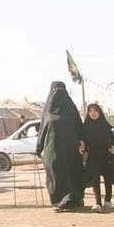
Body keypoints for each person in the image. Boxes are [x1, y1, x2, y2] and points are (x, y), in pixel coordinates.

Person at [36, 81, 86, 211]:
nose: (58, 93)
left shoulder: (72, 110)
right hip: (53, 150)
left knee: (73, 172)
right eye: (55, 90)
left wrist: (82, 141)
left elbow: (79, 127)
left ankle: (75, 199)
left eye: (61, 89)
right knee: (56, 175)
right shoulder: (47, 112)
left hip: (71, 150)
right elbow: (42, 130)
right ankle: (58, 202)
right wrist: (39, 148)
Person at [80, 103, 114, 212]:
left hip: (106, 155)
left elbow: (112, 139)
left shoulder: (105, 125)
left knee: (107, 177)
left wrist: (112, 148)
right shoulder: (85, 126)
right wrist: (82, 145)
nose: (93, 113)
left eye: (96, 111)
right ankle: (98, 203)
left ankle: (108, 200)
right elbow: (83, 139)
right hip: (93, 155)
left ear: (100, 112)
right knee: (95, 178)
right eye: (90, 111)